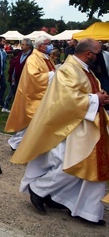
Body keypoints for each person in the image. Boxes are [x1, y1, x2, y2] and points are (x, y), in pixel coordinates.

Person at [11, 38, 109, 226]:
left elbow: (86, 92)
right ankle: (39, 189)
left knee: (93, 168)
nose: (100, 56)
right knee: (74, 165)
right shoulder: (68, 69)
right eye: (99, 52)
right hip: (73, 128)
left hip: (90, 126)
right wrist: (94, 98)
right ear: (89, 54)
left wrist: (100, 96)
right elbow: (65, 99)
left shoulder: (85, 70)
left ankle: (87, 210)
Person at [4, 35, 55, 150]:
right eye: (48, 43)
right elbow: (34, 77)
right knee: (30, 121)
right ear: (41, 46)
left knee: (36, 122)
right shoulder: (33, 58)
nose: (50, 46)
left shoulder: (46, 57)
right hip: (33, 95)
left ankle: (24, 144)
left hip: (44, 94)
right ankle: (16, 143)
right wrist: (53, 74)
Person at [2, 38, 33, 113]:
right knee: (16, 94)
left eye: (23, 44)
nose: (21, 46)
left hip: (26, 80)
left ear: (28, 46)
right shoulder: (20, 54)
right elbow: (16, 66)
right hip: (16, 78)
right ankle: (17, 110)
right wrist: (13, 76)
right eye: (21, 44)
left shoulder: (32, 56)